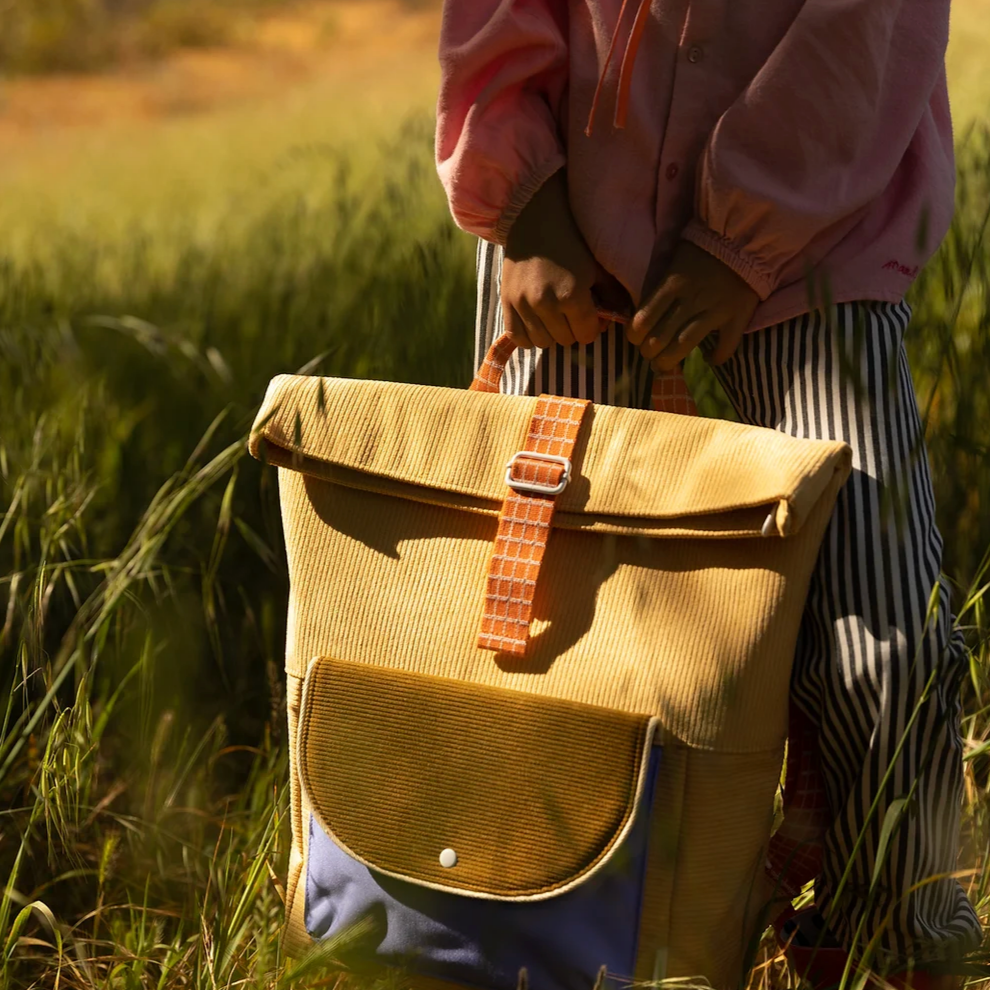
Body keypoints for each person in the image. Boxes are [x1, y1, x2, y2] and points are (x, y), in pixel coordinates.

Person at [434, 0, 982, 985]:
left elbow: (872, 25)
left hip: (824, 221)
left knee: (882, 647)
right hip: (566, 218)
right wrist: (522, 198)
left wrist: (743, 235)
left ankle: (895, 934)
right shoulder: (546, 209)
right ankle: (551, 931)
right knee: (544, 636)